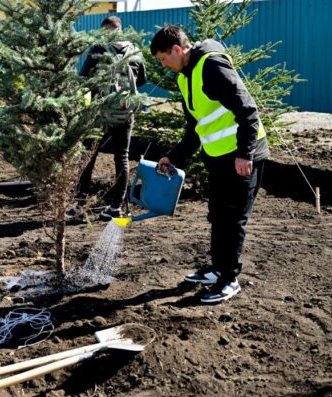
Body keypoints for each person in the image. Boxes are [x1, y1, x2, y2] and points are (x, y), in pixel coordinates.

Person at [149, 25, 269, 304]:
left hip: (243, 156)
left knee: (234, 219)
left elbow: (248, 110)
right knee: (217, 214)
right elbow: (196, 128)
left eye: (163, 58)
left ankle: (230, 279)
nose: (163, 65)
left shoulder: (211, 67)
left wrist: (245, 153)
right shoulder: (184, 78)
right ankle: (217, 270)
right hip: (218, 156)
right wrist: (174, 156)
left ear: (177, 50)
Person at [66, 16, 147, 222]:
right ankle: (115, 207)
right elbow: (143, 80)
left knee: (88, 156)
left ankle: (79, 207)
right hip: (125, 112)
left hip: (99, 112)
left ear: (104, 31)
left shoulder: (98, 49)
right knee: (122, 157)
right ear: (120, 30)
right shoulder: (134, 51)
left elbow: (84, 78)